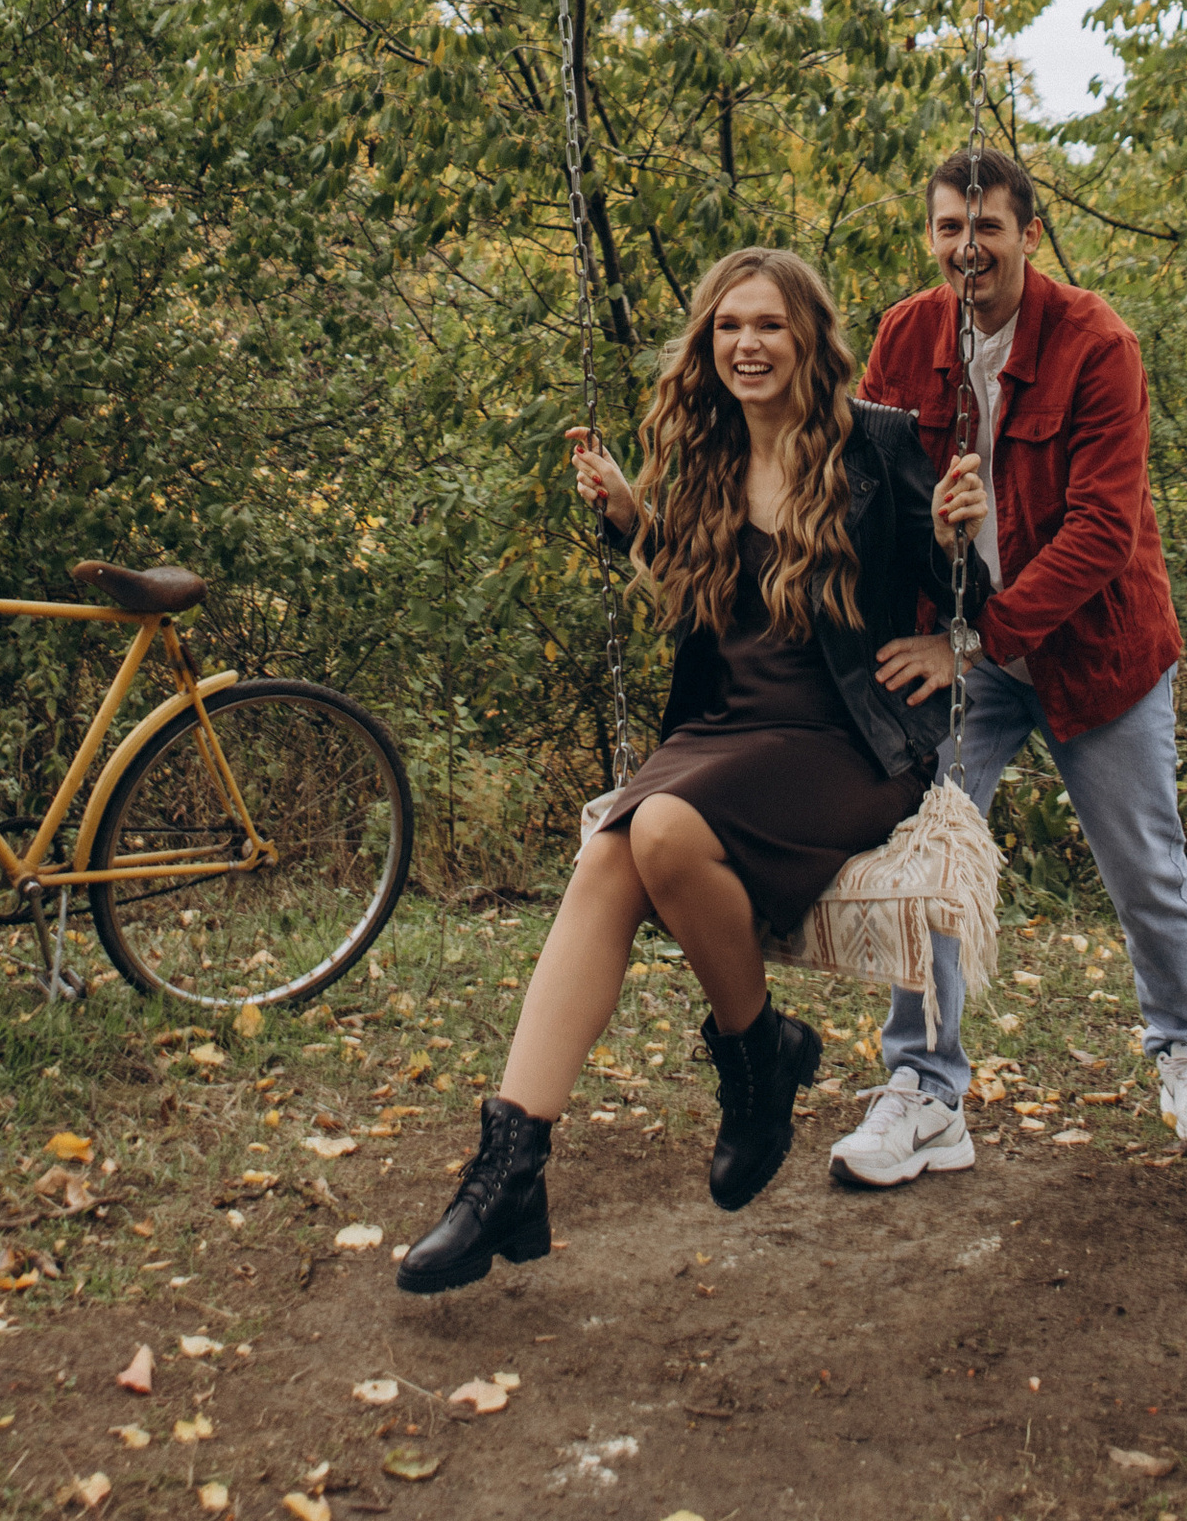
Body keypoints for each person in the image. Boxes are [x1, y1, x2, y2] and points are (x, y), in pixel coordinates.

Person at [398, 243, 971, 1295]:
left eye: (767, 325)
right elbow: (713, 597)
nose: (746, 346)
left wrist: (952, 612)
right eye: (727, 327)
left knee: (652, 828)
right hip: (723, 727)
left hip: (842, 741)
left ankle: (755, 1058)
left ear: (808, 338)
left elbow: (961, 580)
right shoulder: (705, 453)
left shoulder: (877, 444)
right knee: (612, 855)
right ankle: (507, 1168)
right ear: (706, 346)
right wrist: (631, 519)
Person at [825, 145, 1187, 1188]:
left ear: (1027, 234)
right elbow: (870, 492)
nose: (966, 250)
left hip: (1092, 651)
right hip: (960, 652)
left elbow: (1104, 530)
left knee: (1143, 861)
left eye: (987, 230)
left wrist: (977, 637)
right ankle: (924, 1090)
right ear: (929, 235)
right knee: (929, 858)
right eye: (947, 230)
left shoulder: (1097, 343)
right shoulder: (906, 335)